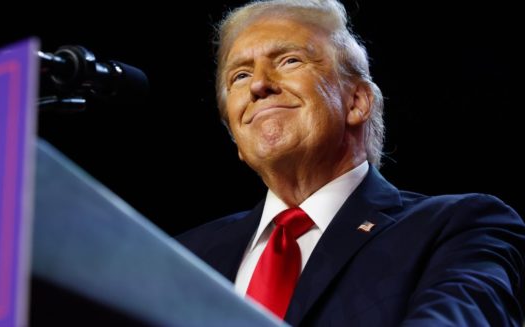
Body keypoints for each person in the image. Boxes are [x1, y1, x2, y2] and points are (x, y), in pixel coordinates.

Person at [177, 0, 525, 325]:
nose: (259, 85)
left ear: (357, 102)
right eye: (239, 75)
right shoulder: (184, 255)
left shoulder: (455, 228)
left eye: (289, 61)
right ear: (235, 135)